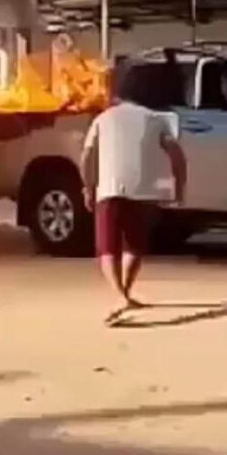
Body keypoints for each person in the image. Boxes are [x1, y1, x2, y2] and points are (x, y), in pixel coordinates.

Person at [79, 65, 187, 325]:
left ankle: (119, 296)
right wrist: (178, 185)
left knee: (107, 247)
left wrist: (88, 185)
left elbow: (86, 156)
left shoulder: (104, 118)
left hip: (109, 188)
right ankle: (125, 293)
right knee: (134, 245)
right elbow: (177, 156)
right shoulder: (156, 119)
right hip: (143, 189)